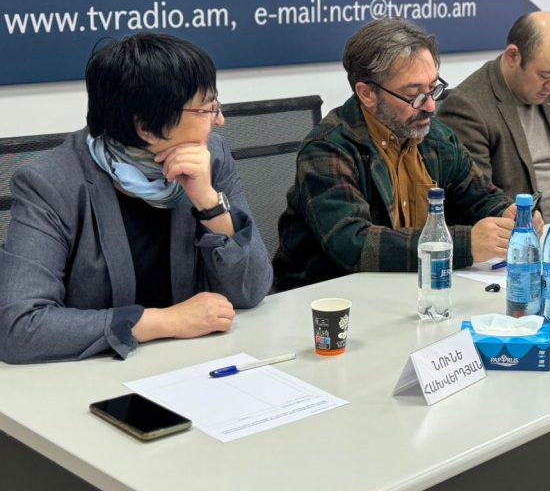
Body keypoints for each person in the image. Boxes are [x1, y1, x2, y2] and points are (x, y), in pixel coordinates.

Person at [0, 34, 273, 364]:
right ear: (147, 129)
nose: (219, 120)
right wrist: (163, 322)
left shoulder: (211, 157)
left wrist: (209, 202)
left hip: (196, 362)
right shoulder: (51, 184)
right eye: (206, 109)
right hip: (97, 373)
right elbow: (20, 327)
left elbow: (251, 291)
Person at [274, 18, 516, 290]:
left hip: (411, 289)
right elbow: (354, 245)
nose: (430, 106)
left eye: (433, 88)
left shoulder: (436, 137)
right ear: (367, 94)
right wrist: (462, 245)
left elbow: (479, 196)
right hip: (329, 297)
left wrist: (507, 213)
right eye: (414, 95)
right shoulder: (328, 149)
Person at [438, 11, 550, 220]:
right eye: (546, 75)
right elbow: (478, 201)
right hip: (521, 231)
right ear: (513, 56)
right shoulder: (467, 107)